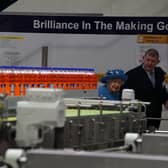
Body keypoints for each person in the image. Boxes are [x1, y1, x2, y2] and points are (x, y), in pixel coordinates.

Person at [123, 48, 168, 130]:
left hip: (156, 114)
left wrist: (165, 100)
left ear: (157, 62)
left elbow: (163, 91)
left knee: (152, 139)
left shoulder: (160, 73)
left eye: (153, 61)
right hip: (139, 114)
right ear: (143, 59)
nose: (150, 63)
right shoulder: (131, 74)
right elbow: (125, 96)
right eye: (148, 60)